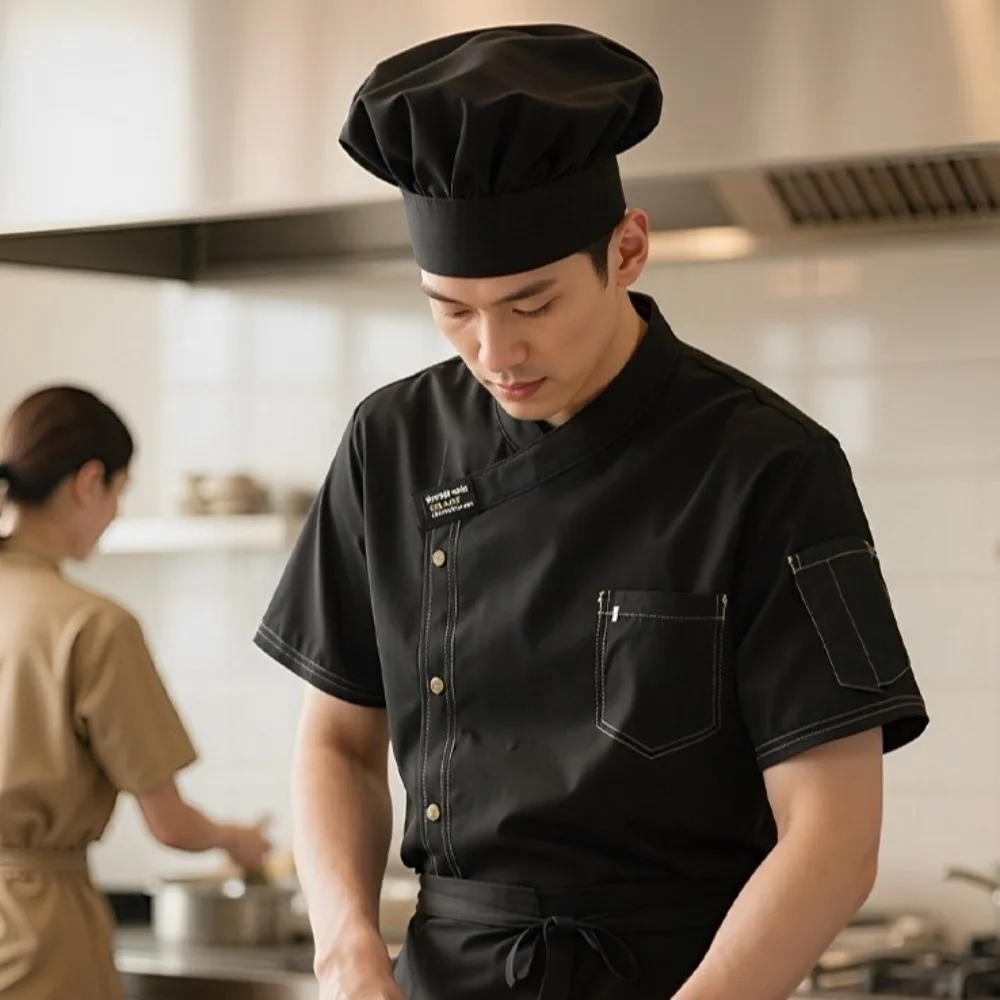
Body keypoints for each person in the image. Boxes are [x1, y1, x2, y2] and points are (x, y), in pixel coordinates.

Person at [254, 24, 929, 1000]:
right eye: (452, 309)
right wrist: (347, 953)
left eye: (531, 305)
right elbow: (336, 743)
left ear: (627, 249)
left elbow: (834, 832)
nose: (494, 353)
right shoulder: (390, 443)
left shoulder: (769, 464)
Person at [0, 385, 271, 1000]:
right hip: (37, 938)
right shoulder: (91, 625)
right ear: (88, 481)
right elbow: (170, 824)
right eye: (121, 490)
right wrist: (237, 842)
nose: (117, 512)